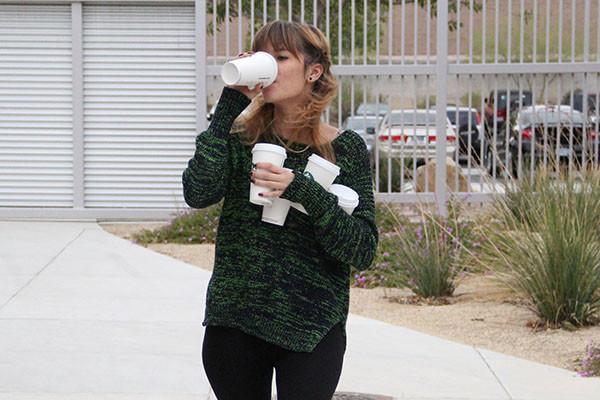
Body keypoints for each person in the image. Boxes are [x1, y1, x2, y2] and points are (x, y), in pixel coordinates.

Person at [182, 20, 378, 400]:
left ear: (313, 71)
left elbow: (362, 248)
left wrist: (303, 189)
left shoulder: (346, 149)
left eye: (281, 57)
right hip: (236, 317)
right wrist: (228, 106)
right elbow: (197, 192)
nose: (268, 64)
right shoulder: (240, 139)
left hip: (312, 324)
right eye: (262, 56)